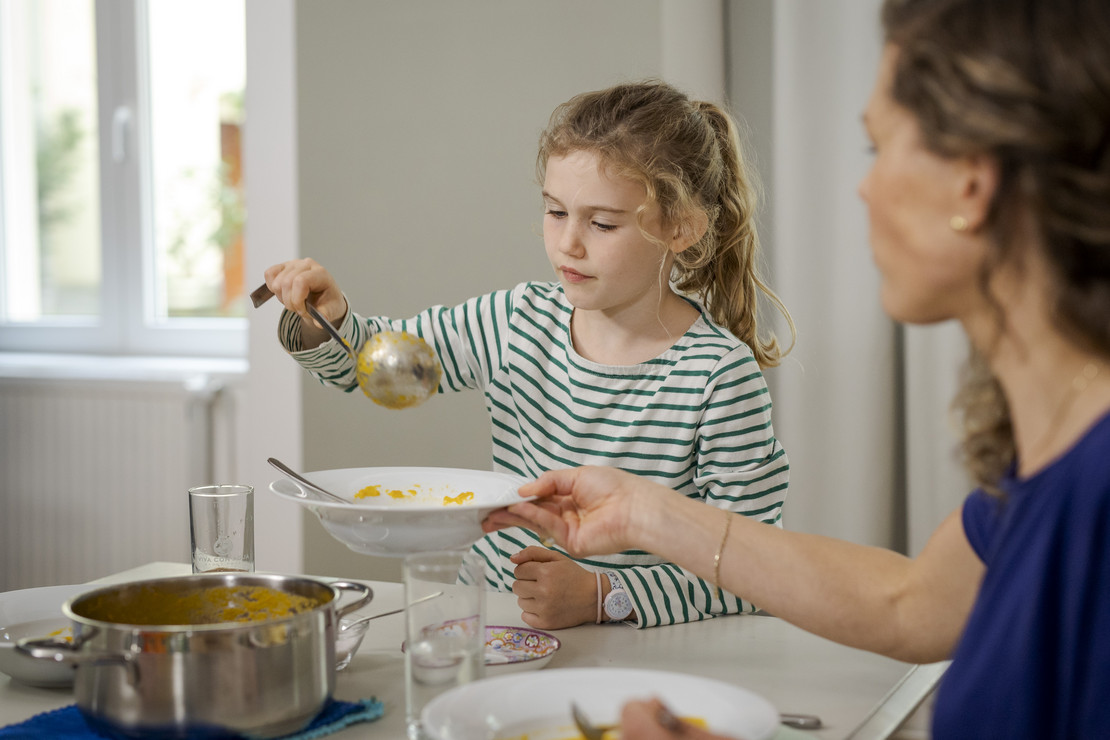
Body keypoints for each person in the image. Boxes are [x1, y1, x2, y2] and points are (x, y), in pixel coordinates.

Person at [484, 0, 1110, 736]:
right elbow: (906, 604)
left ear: (972, 182)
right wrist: (648, 514)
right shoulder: (1049, 463)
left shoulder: (1096, 488)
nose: (863, 188)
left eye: (877, 150)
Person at [263, 80, 795, 630]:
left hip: (642, 655)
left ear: (681, 227)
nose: (568, 243)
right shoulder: (515, 321)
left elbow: (753, 569)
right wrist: (325, 318)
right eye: (555, 212)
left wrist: (603, 593)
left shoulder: (718, 376)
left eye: (603, 223)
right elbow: (377, 368)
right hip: (494, 622)